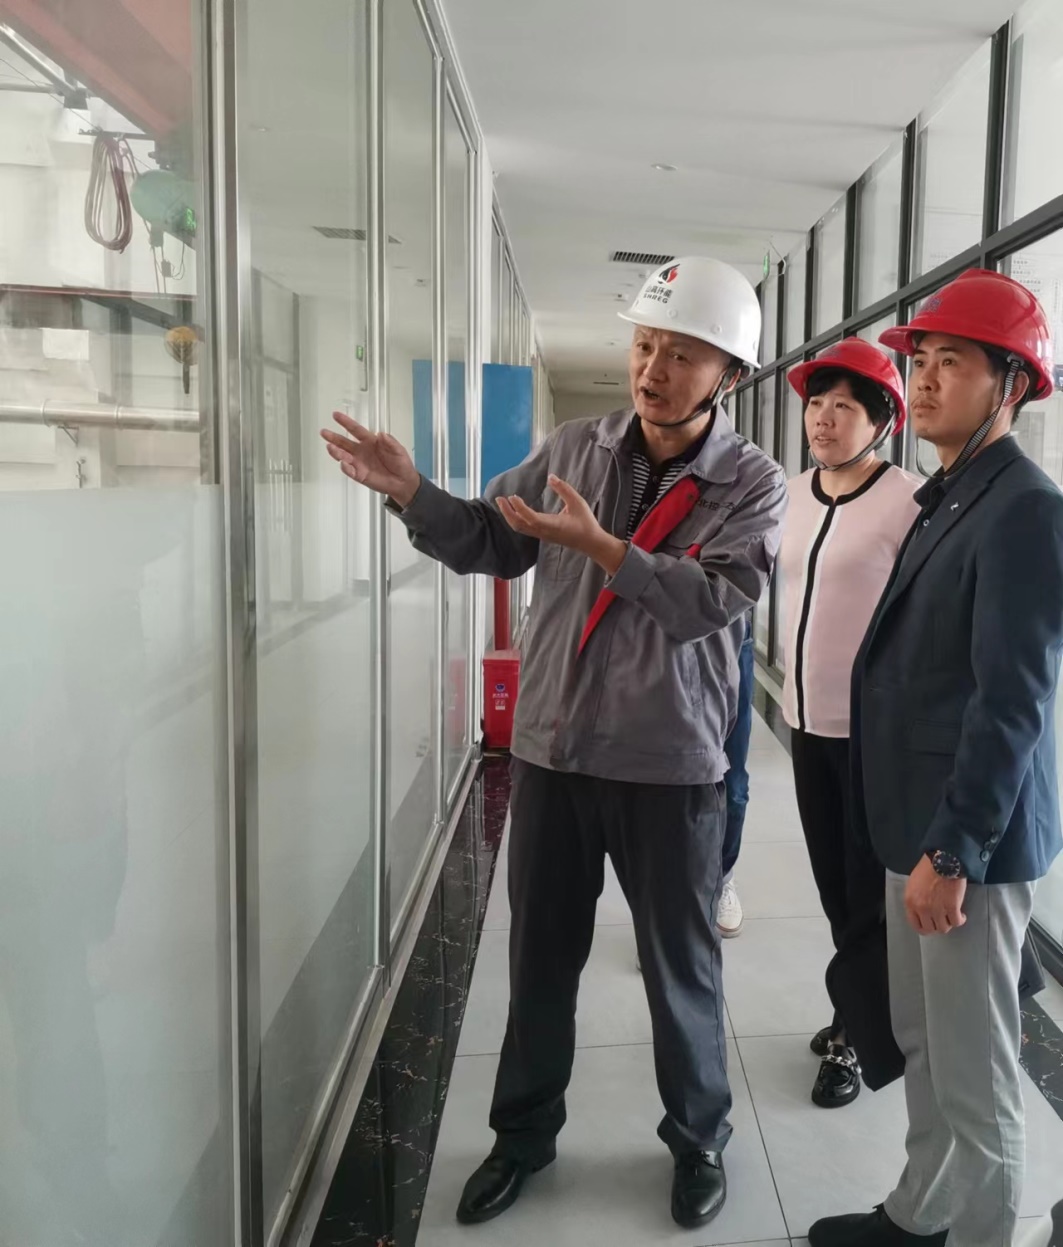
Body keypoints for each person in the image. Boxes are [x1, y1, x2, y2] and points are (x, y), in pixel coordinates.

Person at [322, 256, 787, 1230]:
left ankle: (698, 1137)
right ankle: (522, 1134)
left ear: (729, 373)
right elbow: (496, 538)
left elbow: (710, 603)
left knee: (681, 970)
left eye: (682, 354)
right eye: (645, 345)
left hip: (669, 765)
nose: (653, 369)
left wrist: (603, 549)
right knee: (537, 962)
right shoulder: (577, 445)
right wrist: (413, 493)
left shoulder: (751, 482)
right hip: (553, 755)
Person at [809, 269, 1063, 1247]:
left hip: (966, 842)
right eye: (920, 359)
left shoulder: (1024, 507)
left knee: (975, 1068)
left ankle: (983, 1234)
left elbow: (1012, 701)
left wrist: (953, 848)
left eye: (951, 361)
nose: (921, 378)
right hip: (914, 819)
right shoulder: (951, 493)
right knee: (922, 1039)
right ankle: (921, 1212)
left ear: (1012, 383)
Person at [777, 339, 921, 1110]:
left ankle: (853, 1036)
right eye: (815, 404)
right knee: (835, 889)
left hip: (872, 736)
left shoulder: (908, 501)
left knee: (865, 896)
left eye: (842, 407)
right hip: (804, 723)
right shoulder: (790, 493)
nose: (822, 420)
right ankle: (858, 1008)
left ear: (880, 422)